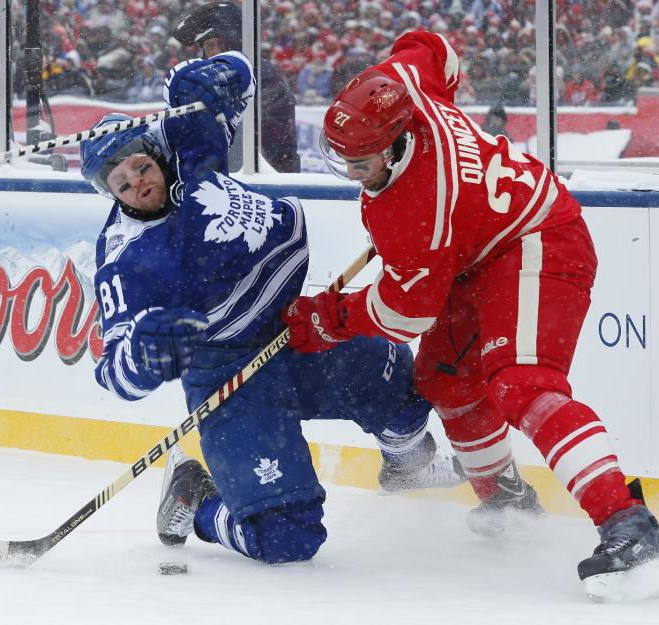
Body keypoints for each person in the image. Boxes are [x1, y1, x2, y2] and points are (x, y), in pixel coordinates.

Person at [282, 31, 659, 602]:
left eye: (360, 164)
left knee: (522, 384)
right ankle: (507, 501)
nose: (351, 174)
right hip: (476, 253)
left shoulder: (416, 207)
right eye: (339, 158)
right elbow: (432, 47)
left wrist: (328, 317)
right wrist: (394, 68)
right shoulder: (404, 86)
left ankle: (627, 525)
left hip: (539, 240)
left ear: (394, 147)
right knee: (444, 379)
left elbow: (402, 314)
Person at [80, 49, 462, 565]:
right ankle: (200, 502)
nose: (139, 184)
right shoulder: (126, 260)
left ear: (155, 153)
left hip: (293, 329)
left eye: (142, 167)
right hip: (230, 379)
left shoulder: (187, 145)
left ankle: (407, 468)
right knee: (287, 540)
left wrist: (211, 78)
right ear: (109, 193)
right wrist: (146, 356)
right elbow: (113, 372)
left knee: (400, 379)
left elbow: (241, 74)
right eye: (122, 184)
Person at [172, 1, 301, 173]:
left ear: (234, 42)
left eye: (217, 44)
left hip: (262, 185)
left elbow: (247, 141)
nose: (213, 53)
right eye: (208, 46)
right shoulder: (216, 81)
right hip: (234, 184)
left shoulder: (260, 76)